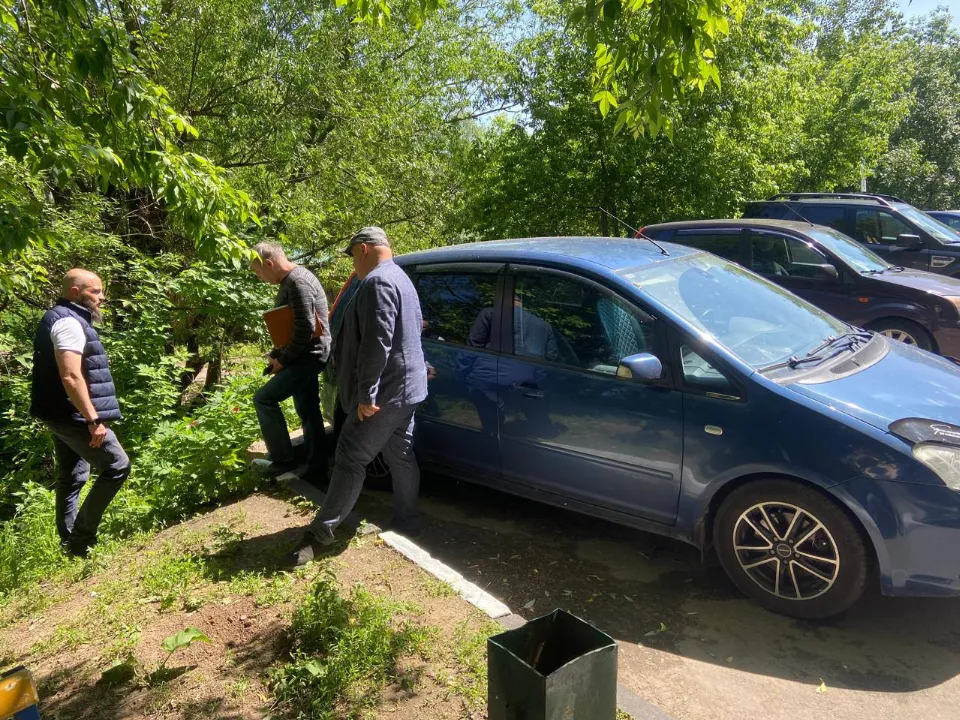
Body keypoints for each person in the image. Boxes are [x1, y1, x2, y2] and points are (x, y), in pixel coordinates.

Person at [288, 226, 428, 566]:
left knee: (350, 457)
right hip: (409, 388)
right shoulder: (401, 277)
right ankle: (408, 521)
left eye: (352, 256)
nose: (353, 265)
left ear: (364, 249)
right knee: (401, 454)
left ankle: (319, 534)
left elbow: (376, 342)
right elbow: (415, 326)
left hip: (386, 392)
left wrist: (367, 393)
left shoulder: (378, 282)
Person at [29, 269, 131, 557]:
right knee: (117, 466)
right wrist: (93, 420)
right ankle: (81, 540)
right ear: (76, 292)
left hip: (60, 412)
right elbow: (71, 376)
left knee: (72, 476)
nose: (102, 297)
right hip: (72, 414)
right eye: (95, 292)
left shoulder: (62, 317)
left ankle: (71, 545)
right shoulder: (68, 323)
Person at [250, 241, 331, 481]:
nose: (259, 277)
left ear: (269, 263)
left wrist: (282, 360)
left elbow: (305, 329)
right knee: (307, 409)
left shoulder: (297, 282)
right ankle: (317, 469)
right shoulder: (295, 279)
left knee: (264, 399)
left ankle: (282, 460)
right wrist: (277, 353)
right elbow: (293, 325)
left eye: (258, 271)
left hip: (308, 357)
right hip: (306, 354)